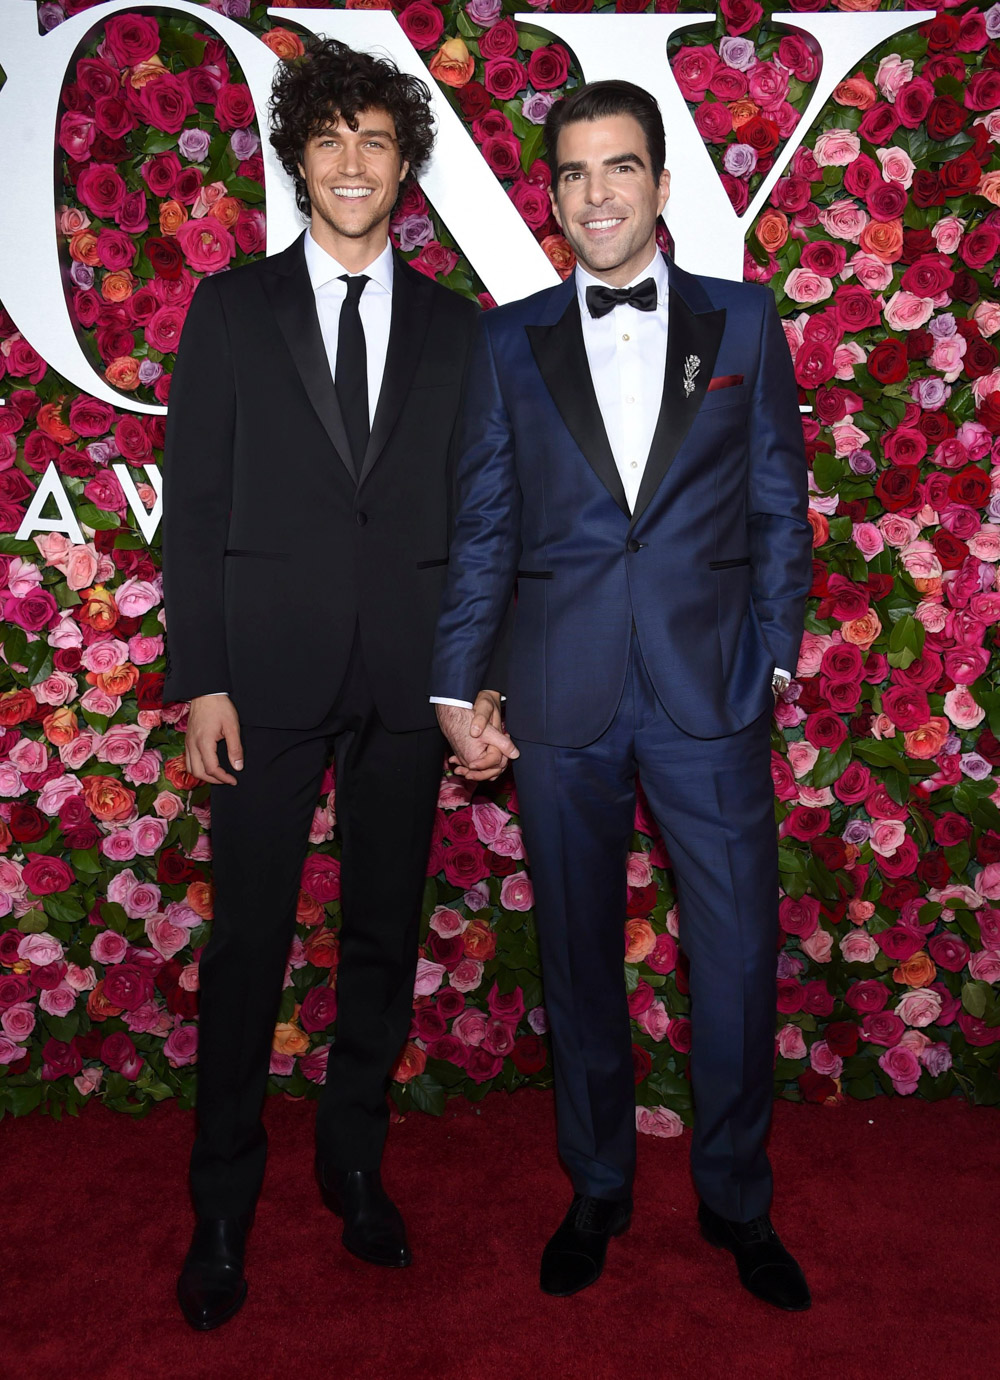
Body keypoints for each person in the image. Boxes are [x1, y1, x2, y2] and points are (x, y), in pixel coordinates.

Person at [432, 80, 813, 1310]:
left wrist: (769, 657)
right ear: (552, 196)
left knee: (740, 956)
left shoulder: (743, 326)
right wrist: (459, 681)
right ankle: (596, 1185)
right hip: (559, 697)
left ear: (659, 183)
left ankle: (735, 1198)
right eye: (574, 174)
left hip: (710, 694)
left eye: (620, 169)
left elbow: (773, 507)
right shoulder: (510, 338)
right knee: (580, 961)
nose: (596, 193)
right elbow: (486, 523)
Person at [162, 39, 511, 1332]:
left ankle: (354, 1163)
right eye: (330, 140)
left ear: (404, 162)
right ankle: (221, 1204)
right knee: (249, 943)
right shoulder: (232, 311)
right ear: (298, 159)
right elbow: (192, 513)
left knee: (380, 936)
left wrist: (475, 680)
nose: (353, 161)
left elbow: (484, 519)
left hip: (411, 682)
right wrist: (201, 682)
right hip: (262, 680)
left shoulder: (455, 329)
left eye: (377, 139)